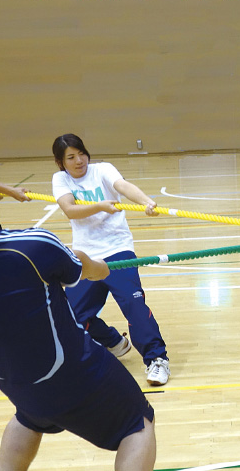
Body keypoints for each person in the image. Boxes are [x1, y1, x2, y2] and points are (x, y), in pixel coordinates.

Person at [0, 194, 176, 471]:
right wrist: (93, 263)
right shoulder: (31, 245)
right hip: (73, 371)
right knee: (138, 422)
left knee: (29, 416)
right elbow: (91, 270)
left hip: (12, 379)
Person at [51, 134, 170, 386]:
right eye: (71, 157)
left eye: (81, 154)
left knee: (133, 304)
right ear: (61, 162)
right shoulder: (60, 179)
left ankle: (157, 359)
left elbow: (123, 186)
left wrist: (146, 201)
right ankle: (114, 342)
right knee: (71, 315)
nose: (79, 160)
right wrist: (101, 206)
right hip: (86, 256)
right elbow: (70, 209)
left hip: (118, 250)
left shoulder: (102, 169)